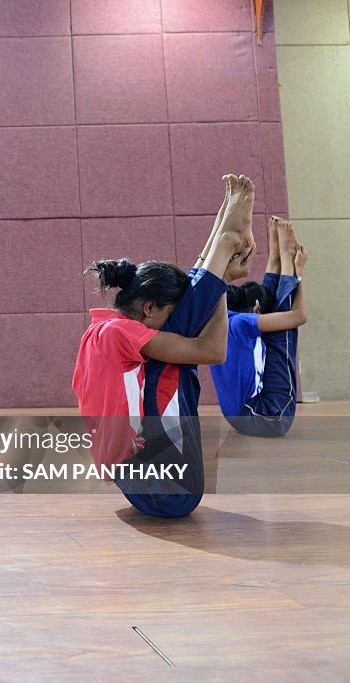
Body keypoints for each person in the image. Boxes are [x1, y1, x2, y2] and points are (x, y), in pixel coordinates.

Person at [73, 175, 256, 517]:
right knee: (174, 358)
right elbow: (213, 352)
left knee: (171, 351)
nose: (172, 318)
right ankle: (223, 246)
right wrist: (225, 282)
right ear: (149, 308)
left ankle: (222, 241)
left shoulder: (102, 329)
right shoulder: (122, 334)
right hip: (170, 492)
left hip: (141, 477)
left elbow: (193, 323)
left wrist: (220, 246)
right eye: (166, 311)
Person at [211, 216, 307, 437]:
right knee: (282, 332)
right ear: (253, 309)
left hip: (241, 415)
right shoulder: (241, 323)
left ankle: (280, 257)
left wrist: (274, 255)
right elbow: (298, 317)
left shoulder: (224, 317)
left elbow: (267, 306)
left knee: (274, 325)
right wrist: (299, 274)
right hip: (269, 416)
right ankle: (287, 263)